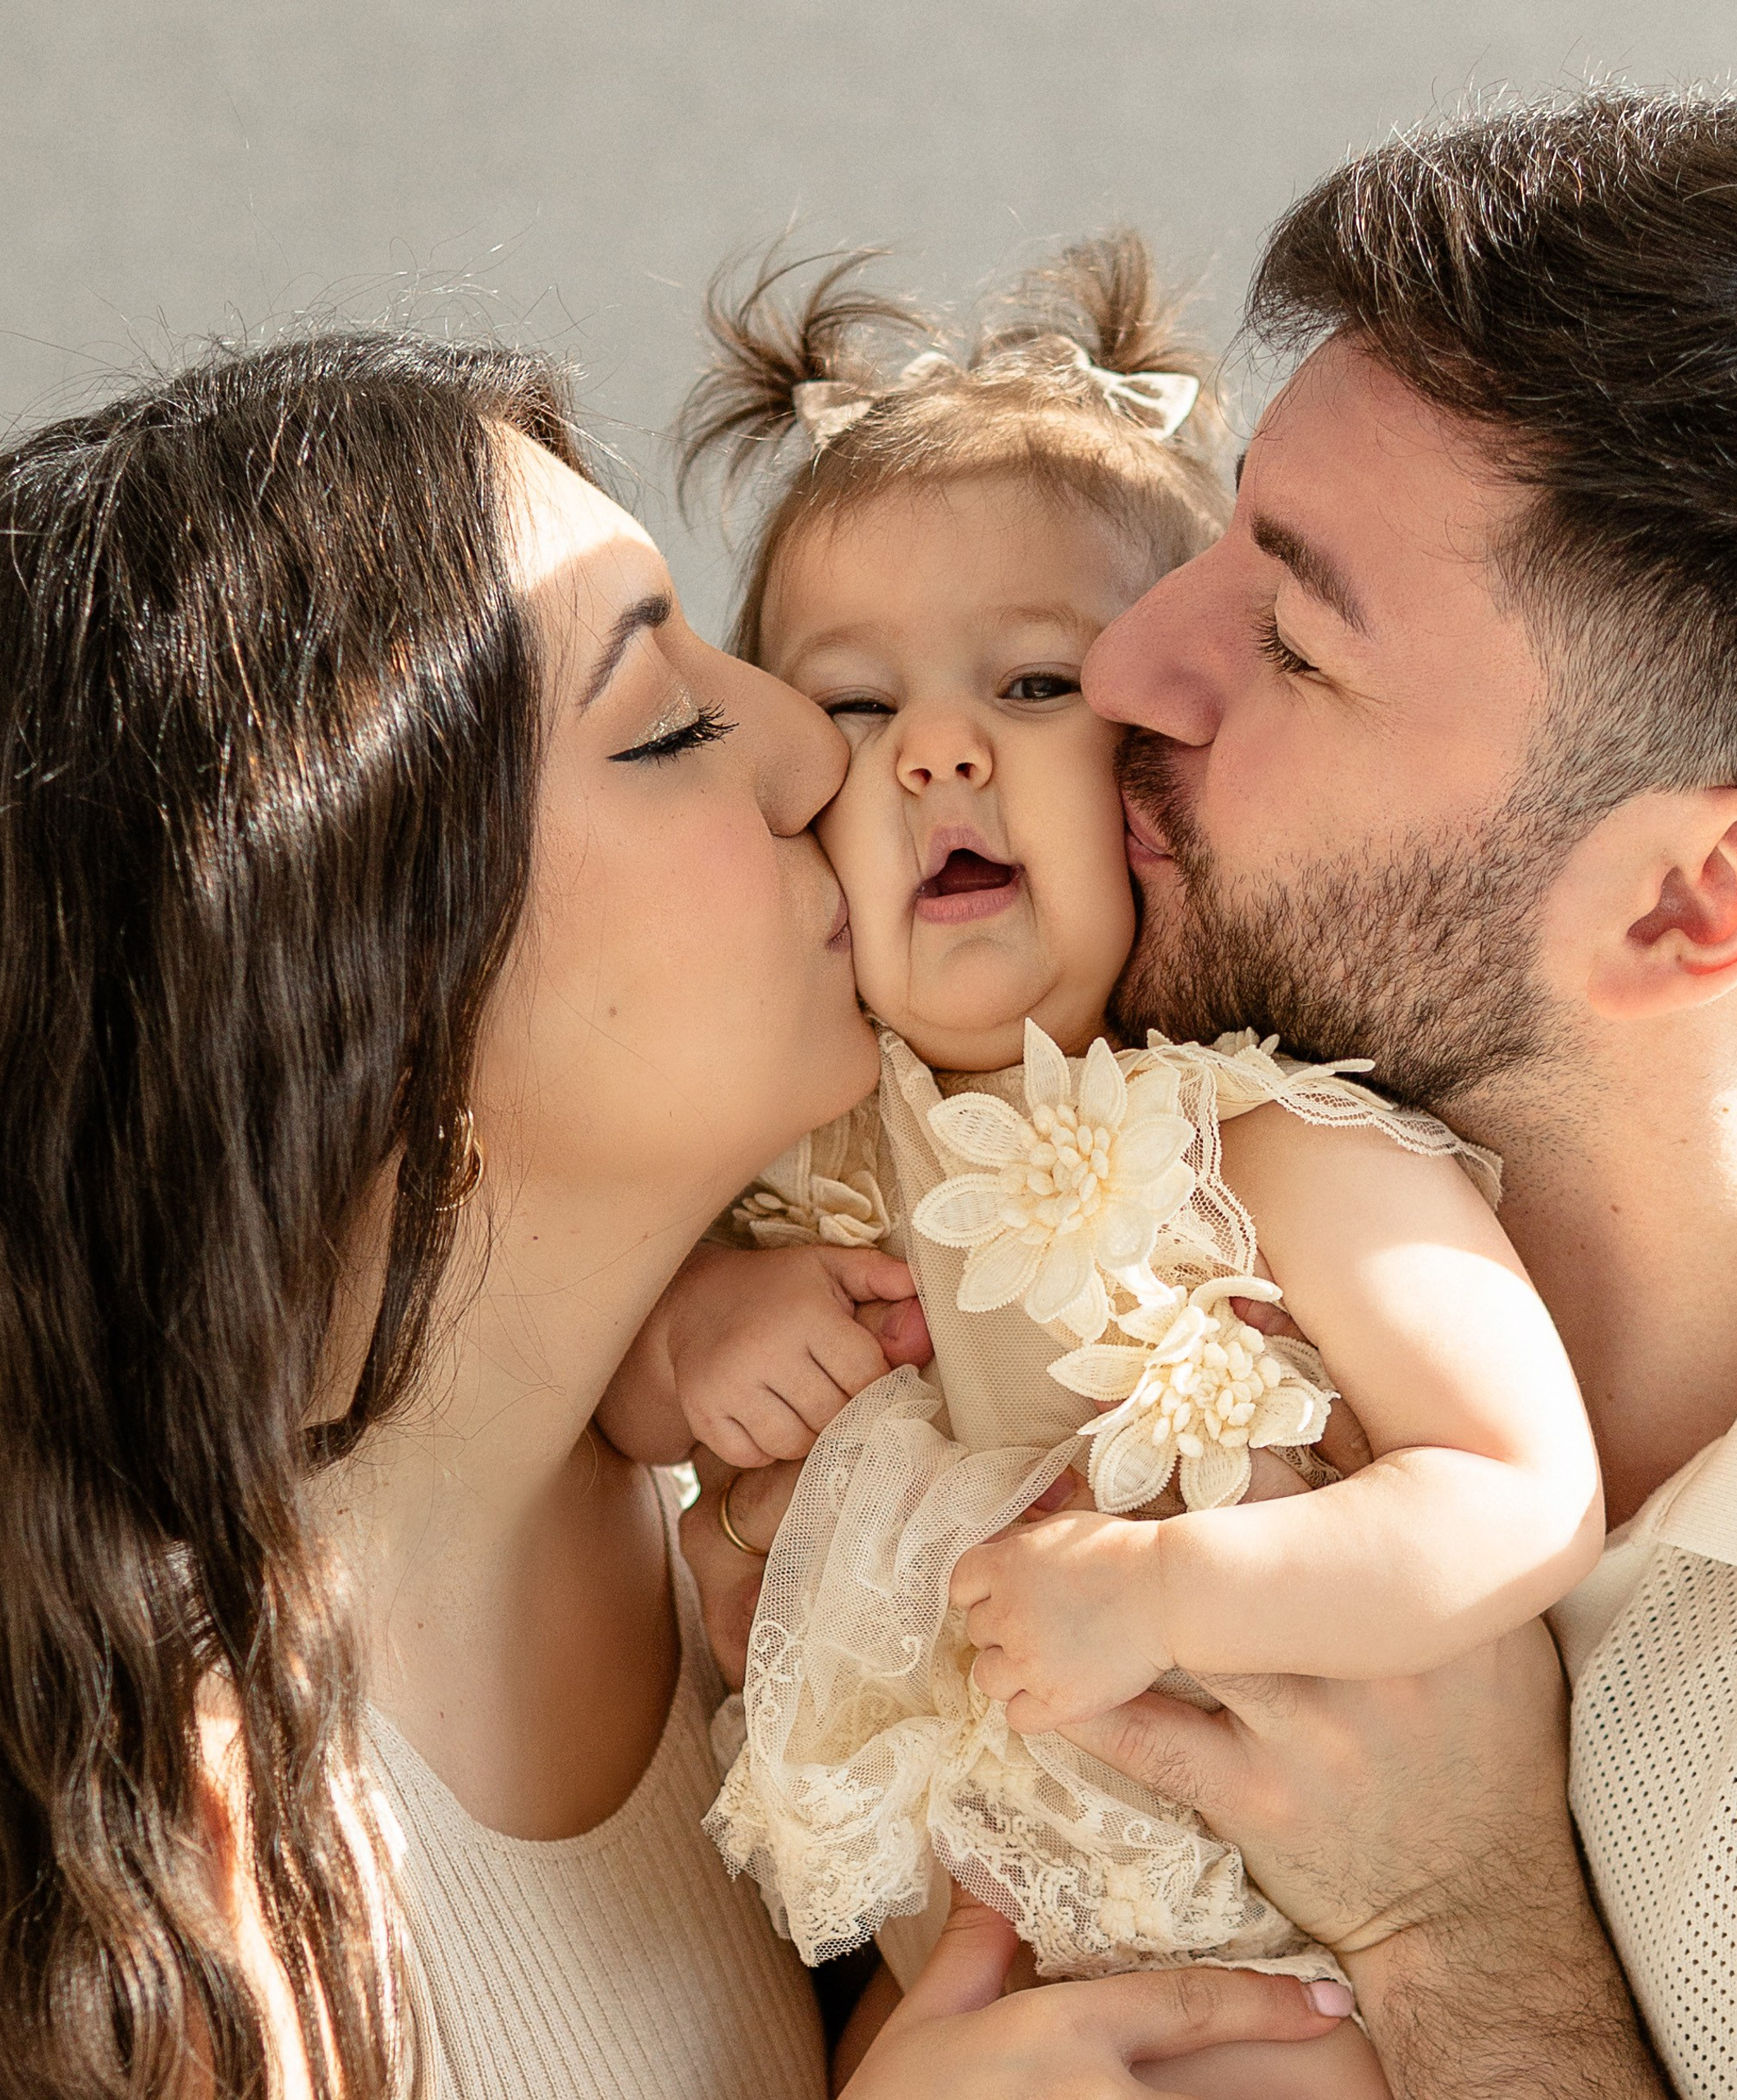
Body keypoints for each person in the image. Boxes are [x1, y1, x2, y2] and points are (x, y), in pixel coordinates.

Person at [0, 331, 1351, 2097]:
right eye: (671, 722)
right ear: (380, 996)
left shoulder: (777, 1486)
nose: (816, 753)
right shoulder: (176, 1898)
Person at [1049, 84, 1737, 2098]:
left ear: (1691, 901)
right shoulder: (1142, 1178)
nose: (1124, 663)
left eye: (1287, 632)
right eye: (1222, 544)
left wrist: (1467, 1929)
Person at [598, 235, 1597, 2098]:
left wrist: (1171, 1590)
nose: (935, 755)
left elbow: (1515, 1493)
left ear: (1162, 768)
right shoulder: (795, 1144)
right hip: (946, 1961)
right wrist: (693, 1335)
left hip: (1277, 1967)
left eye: (1034, 684)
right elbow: (607, 1397)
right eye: (862, 704)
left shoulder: (1260, 1135)